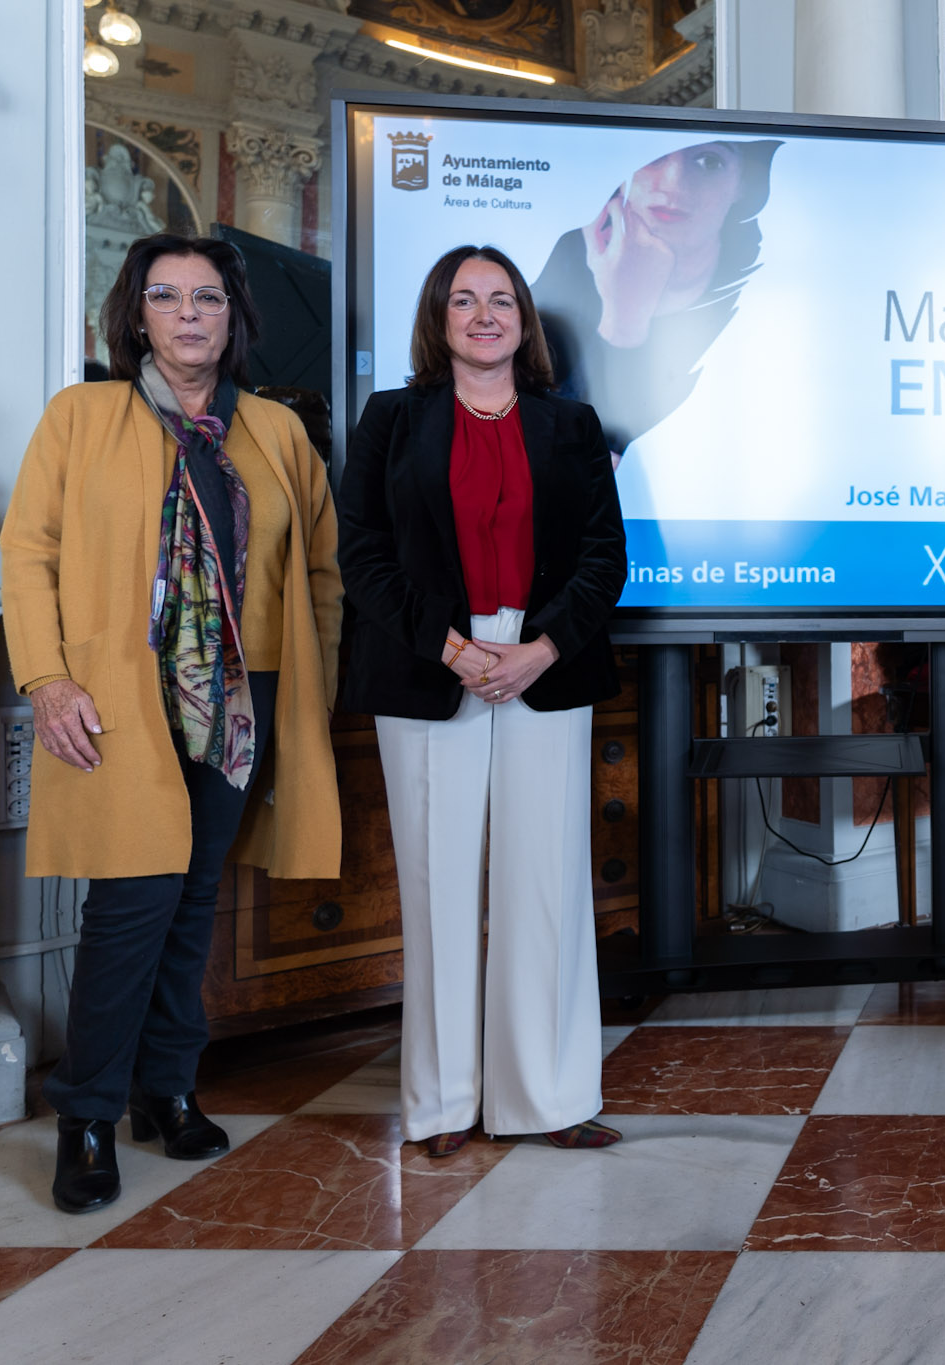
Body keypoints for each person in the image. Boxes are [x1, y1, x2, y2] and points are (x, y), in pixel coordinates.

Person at [1, 233, 343, 1213]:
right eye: (166, 296)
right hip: (116, 695)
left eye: (207, 297)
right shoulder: (83, 415)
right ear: (135, 314)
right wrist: (46, 679)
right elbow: (29, 551)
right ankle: (88, 1114)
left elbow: (319, 573)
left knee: (195, 899)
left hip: (246, 693)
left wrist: (307, 700)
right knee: (130, 907)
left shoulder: (276, 431)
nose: (189, 313)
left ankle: (166, 1087)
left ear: (233, 318)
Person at [339, 244, 629, 1157]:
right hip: (432, 666)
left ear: (524, 320)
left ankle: (546, 1095)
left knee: (547, 885)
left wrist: (538, 647)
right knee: (437, 883)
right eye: (463, 300)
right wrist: (455, 647)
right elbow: (362, 556)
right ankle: (442, 1104)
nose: (483, 314)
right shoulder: (391, 419)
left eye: (501, 299)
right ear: (439, 318)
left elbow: (602, 559)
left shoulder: (573, 425)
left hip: (546, 663)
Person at [530, 139, 780, 456]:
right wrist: (623, 319)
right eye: (653, 157)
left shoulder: (767, 292)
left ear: (743, 184)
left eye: (708, 162)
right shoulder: (565, 262)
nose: (673, 184)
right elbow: (559, 464)